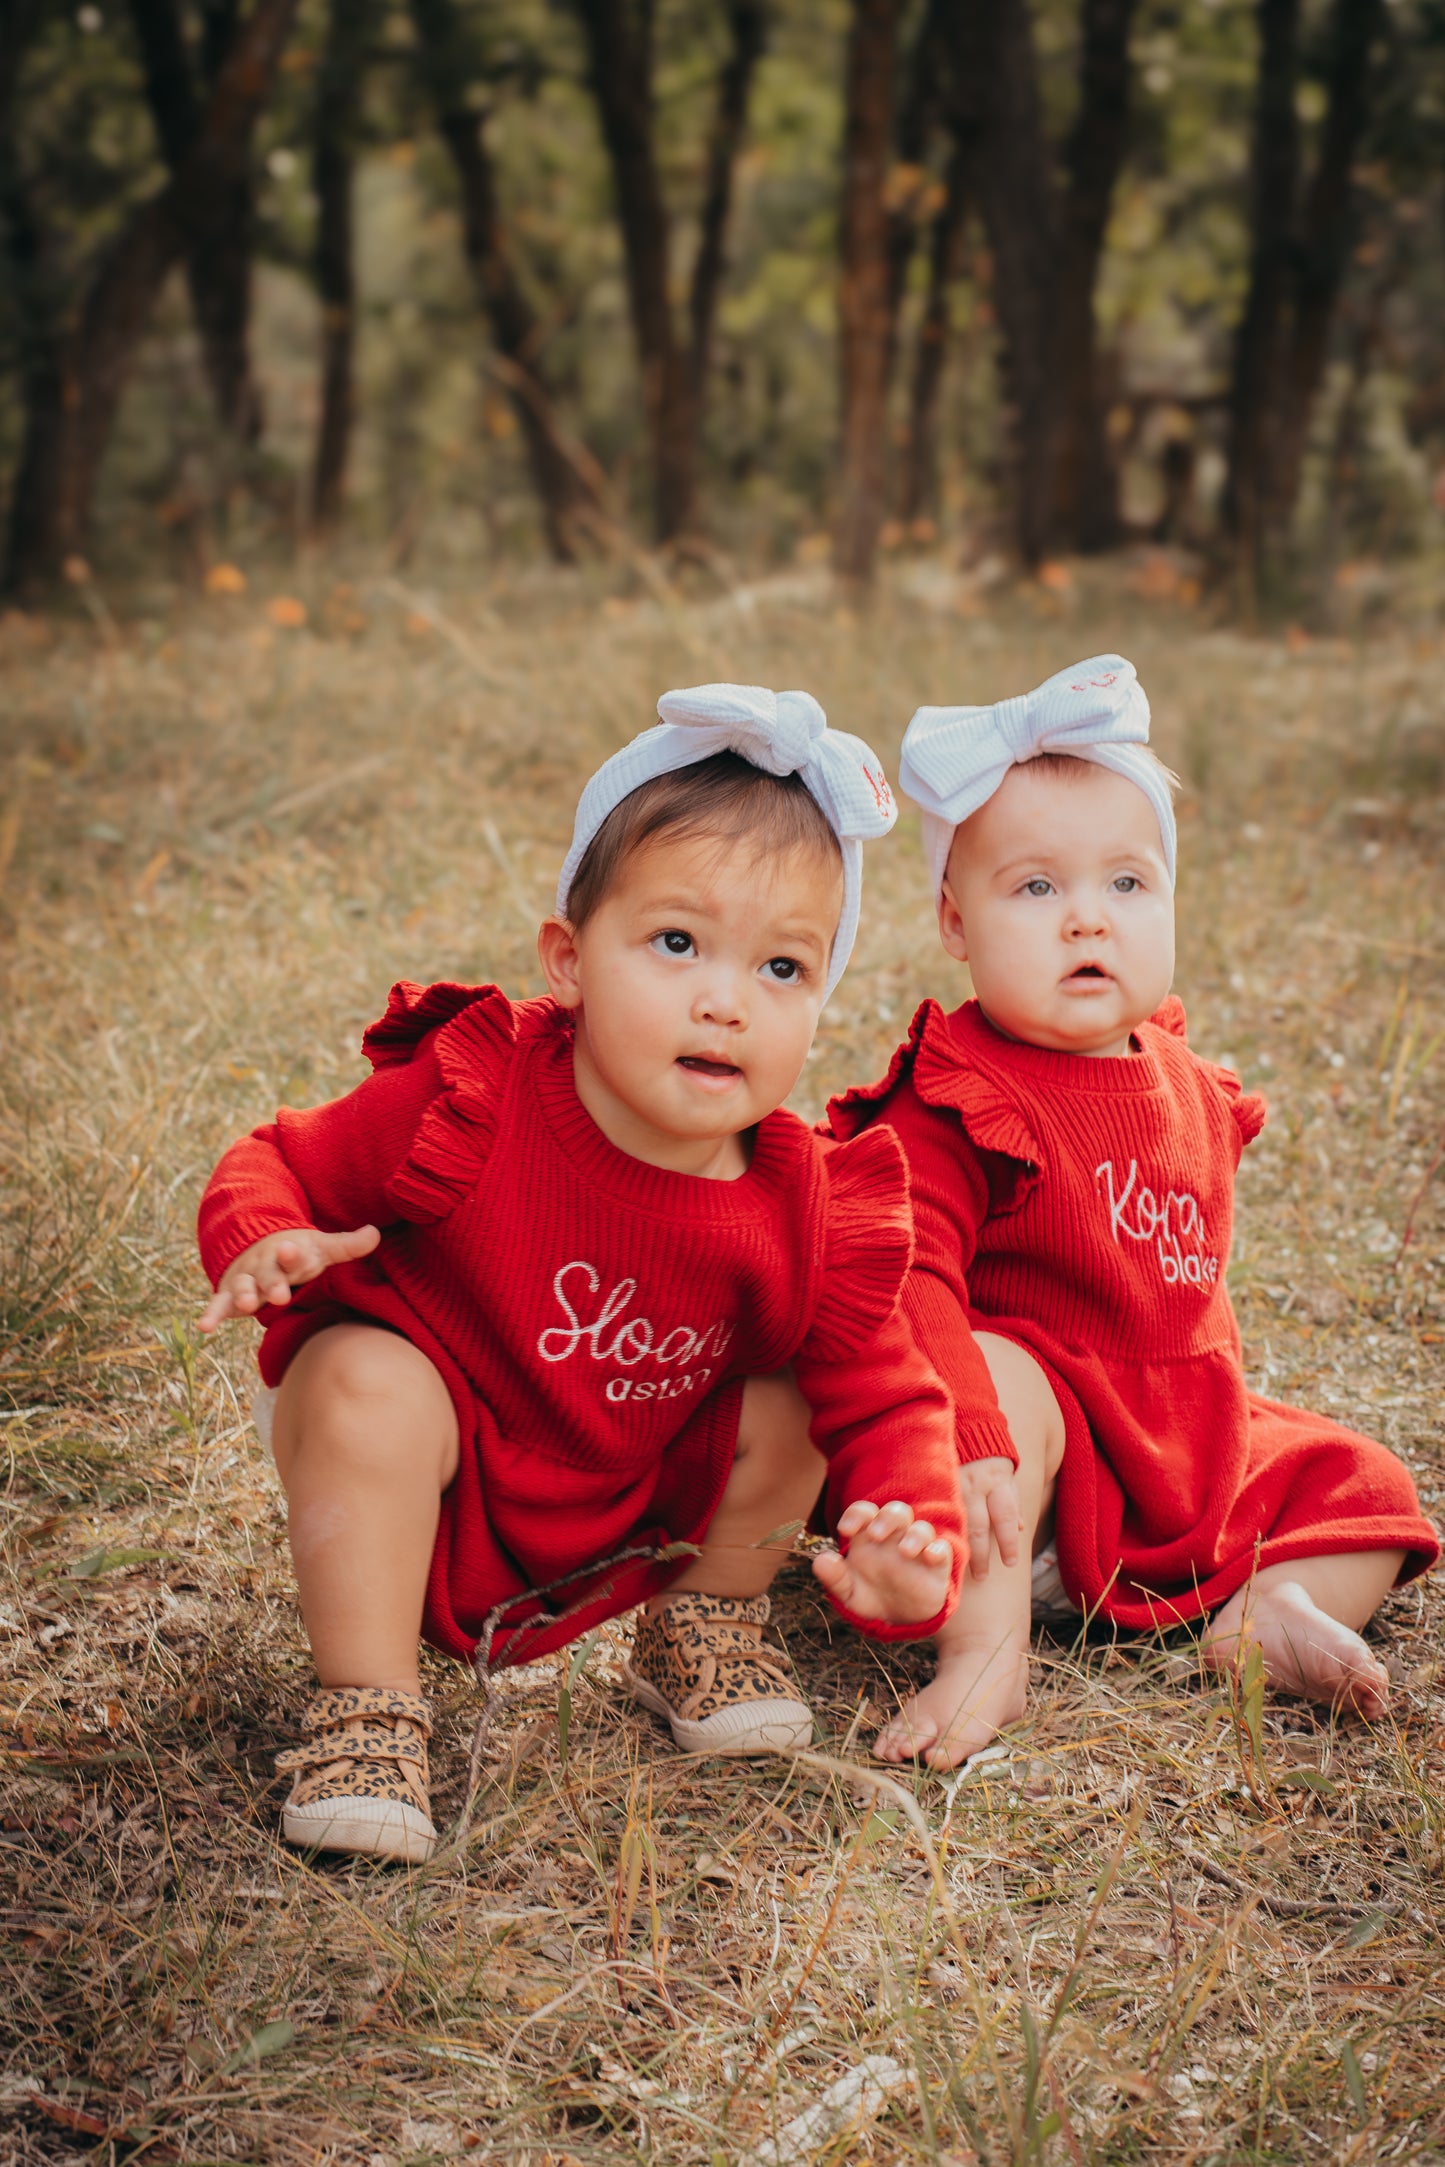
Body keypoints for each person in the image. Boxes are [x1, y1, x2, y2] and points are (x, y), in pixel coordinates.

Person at [198, 684, 965, 1861]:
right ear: (568, 958)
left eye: (780, 968)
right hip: (441, 1453)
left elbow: (887, 1391)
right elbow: (278, 1160)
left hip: (632, 1486)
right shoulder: (478, 1097)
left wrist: (910, 1530)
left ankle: (702, 1620)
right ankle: (366, 1707)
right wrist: (263, 1233)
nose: (723, 998)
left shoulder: (801, 1199)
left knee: (789, 1391)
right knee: (361, 1376)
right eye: (675, 943)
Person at [826, 656, 1439, 1771]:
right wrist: (963, 1426)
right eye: (1034, 889)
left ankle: (1266, 1611)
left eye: (1125, 884)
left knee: (1369, 1482)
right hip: (1024, 1489)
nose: (1083, 923)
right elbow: (903, 1278)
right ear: (953, 922)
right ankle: (985, 1651)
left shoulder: (1182, 1077)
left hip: (1180, 1455)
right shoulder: (957, 1091)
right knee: (1001, 1370)